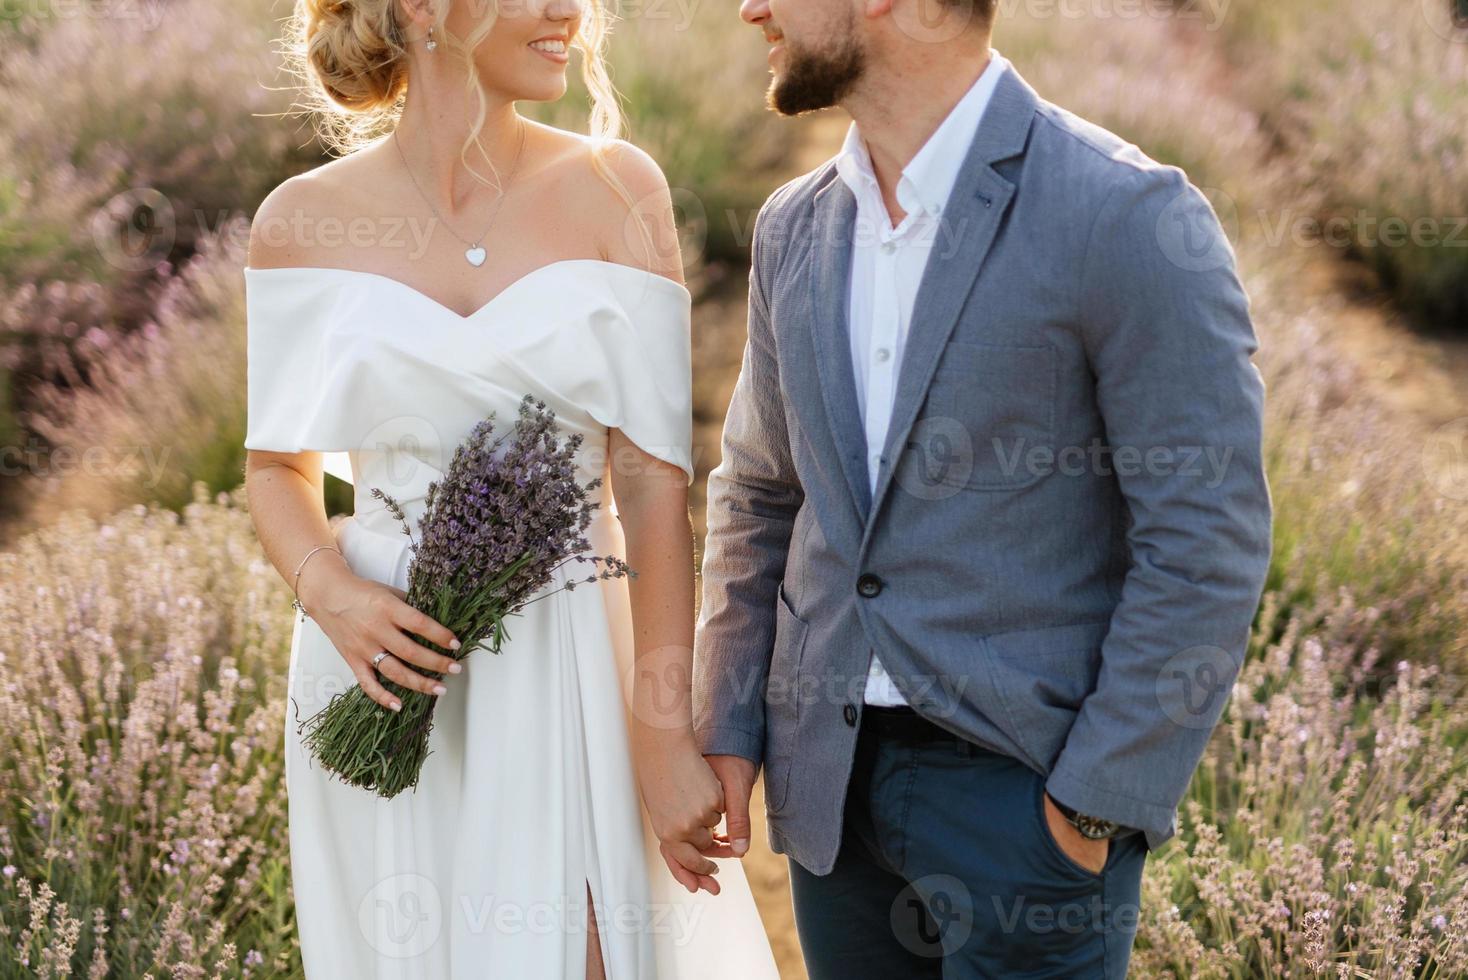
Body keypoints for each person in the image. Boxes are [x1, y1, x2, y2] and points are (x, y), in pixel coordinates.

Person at [694, 0, 1274, 976]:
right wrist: (728, 721)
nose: (751, 7)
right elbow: (759, 494)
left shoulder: (1124, 216)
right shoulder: (792, 229)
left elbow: (1206, 537)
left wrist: (1089, 803)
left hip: (1025, 808)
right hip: (832, 797)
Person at [241, 0, 780, 975]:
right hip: (388, 670)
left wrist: (660, 740)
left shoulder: (619, 188)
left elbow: (653, 487)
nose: (567, 11)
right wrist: (334, 593)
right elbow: (277, 468)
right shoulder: (297, 223)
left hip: (570, 653)